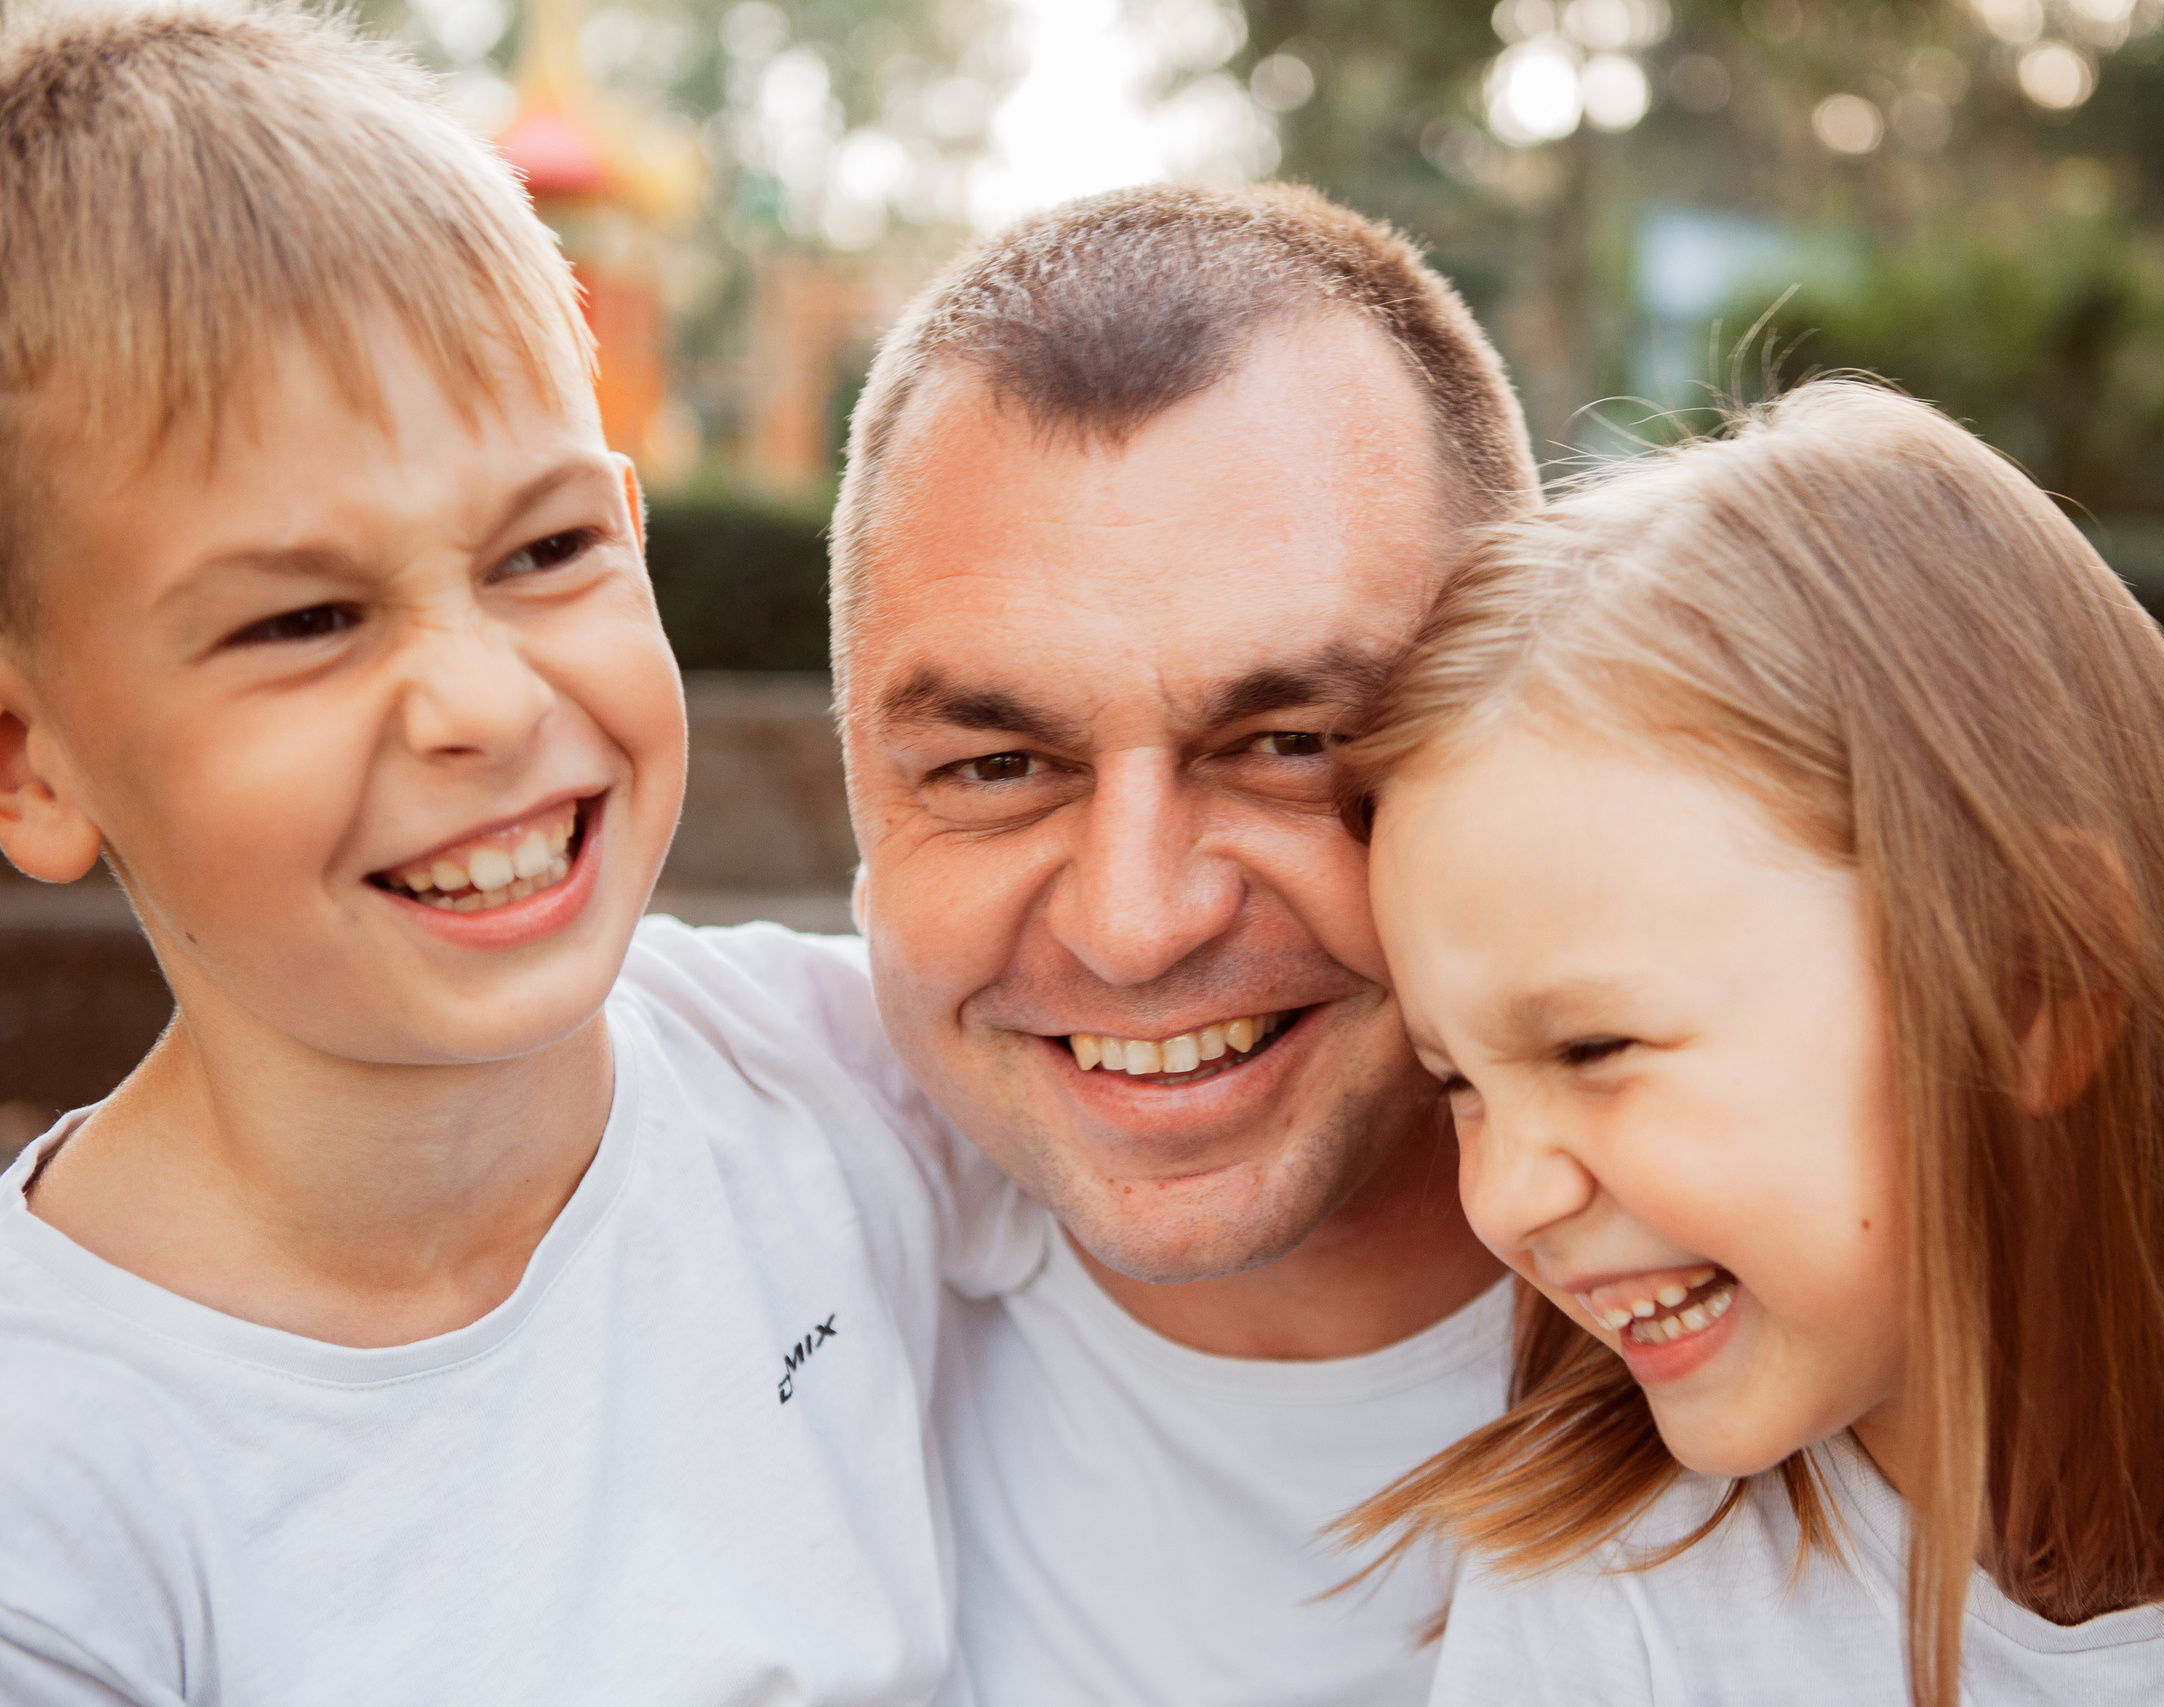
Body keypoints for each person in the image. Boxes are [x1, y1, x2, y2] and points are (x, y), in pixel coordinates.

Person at [0, 8, 998, 1699]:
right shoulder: (53, 1480)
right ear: (28, 763)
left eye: (545, 549)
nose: (479, 698)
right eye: (304, 619)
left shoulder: (856, 1091)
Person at [1332, 378, 2164, 1705]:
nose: (1508, 1197)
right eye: (1456, 1082)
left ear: (2034, 984)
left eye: (1593, 1050)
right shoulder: (1596, 1597)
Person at [828, 185, 1540, 1703]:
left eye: (1289, 743)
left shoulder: (1854, 1354)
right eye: (1000, 768)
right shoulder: (707, 1176)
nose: (1139, 925)